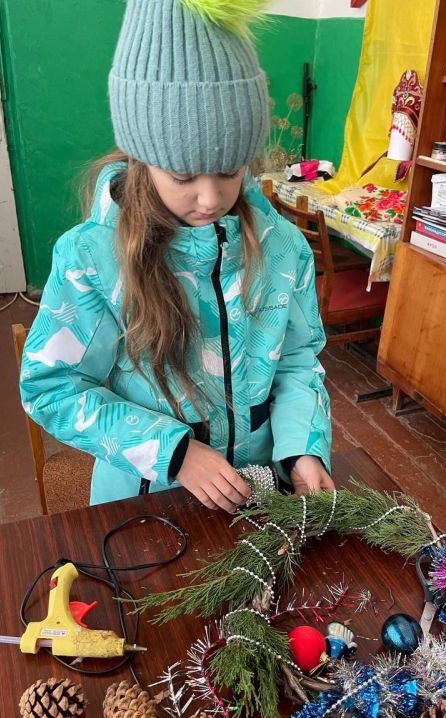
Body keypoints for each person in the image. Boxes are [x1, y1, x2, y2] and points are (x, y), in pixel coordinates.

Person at [19, 0, 333, 512]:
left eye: (229, 171)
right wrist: (176, 453)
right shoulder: (92, 258)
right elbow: (53, 388)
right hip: (147, 504)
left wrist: (302, 448)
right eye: (182, 176)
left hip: (261, 496)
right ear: (142, 160)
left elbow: (297, 362)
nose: (209, 198)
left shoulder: (283, 247)